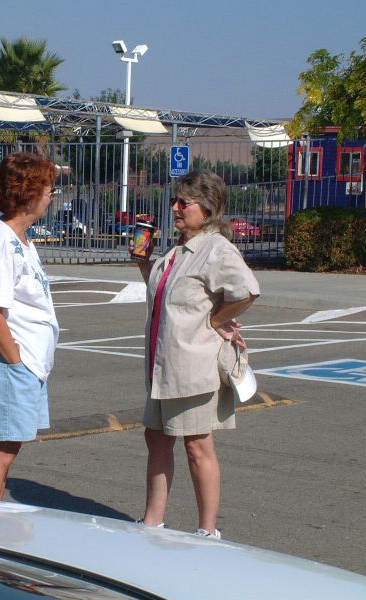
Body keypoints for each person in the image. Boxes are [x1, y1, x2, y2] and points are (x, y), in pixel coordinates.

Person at [132, 170, 260, 539]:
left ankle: (208, 530)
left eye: (183, 202)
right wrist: (144, 262)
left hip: (192, 365)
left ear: (206, 208)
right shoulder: (177, 251)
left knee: (197, 445)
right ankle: (153, 521)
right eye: (175, 200)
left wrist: (216, 320)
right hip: (163, 366)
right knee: (157, 439)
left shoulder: (216, 249)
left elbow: (247, 290)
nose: (175, 207)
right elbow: (166, 297)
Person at [0, 152, 59, 500]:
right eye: (48, 188)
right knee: (1, 453)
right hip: (8, 361)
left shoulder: (20, 240)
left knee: (8, 451)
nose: (51, 195)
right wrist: (16, 361)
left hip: (23, 362)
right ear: (29, 192)